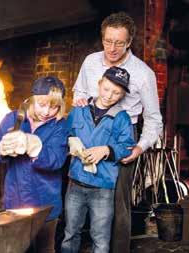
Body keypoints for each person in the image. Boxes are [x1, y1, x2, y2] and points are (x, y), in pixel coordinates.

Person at [72, 12, 163, 252]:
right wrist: (79, 101)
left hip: (121, 137)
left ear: (129, 42)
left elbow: (154, 119)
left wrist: (139, 148)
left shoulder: (143, 74)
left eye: (119, 43)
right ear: (102, 38)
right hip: (89, 131)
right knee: (78, 195)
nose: (112, 48)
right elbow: (78, 92)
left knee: (117, 204)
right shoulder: (90, 62)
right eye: (108, 41)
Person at [0, 76, 69, 253]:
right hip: (14, 200)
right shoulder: (13, 118)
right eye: (42, 104)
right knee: (15, 248)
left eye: (54, 106)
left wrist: (34, 145)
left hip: (45, 204)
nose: (47, 111)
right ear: (32, 99)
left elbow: (56, 160)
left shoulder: (60, 126)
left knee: (44, 249)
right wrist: (0, 148)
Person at [61, 66, 135, 253]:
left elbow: (127, 147)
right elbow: (65, 134)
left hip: (103, 188)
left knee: (101, 239)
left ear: (122, 95)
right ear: (99, 84)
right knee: (70, 234)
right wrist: (70, 144)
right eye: (107, 89)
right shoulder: (79, 110)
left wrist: (106, 150)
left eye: (116, 93)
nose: (109, 95)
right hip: (75, 184)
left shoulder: (122, 118)